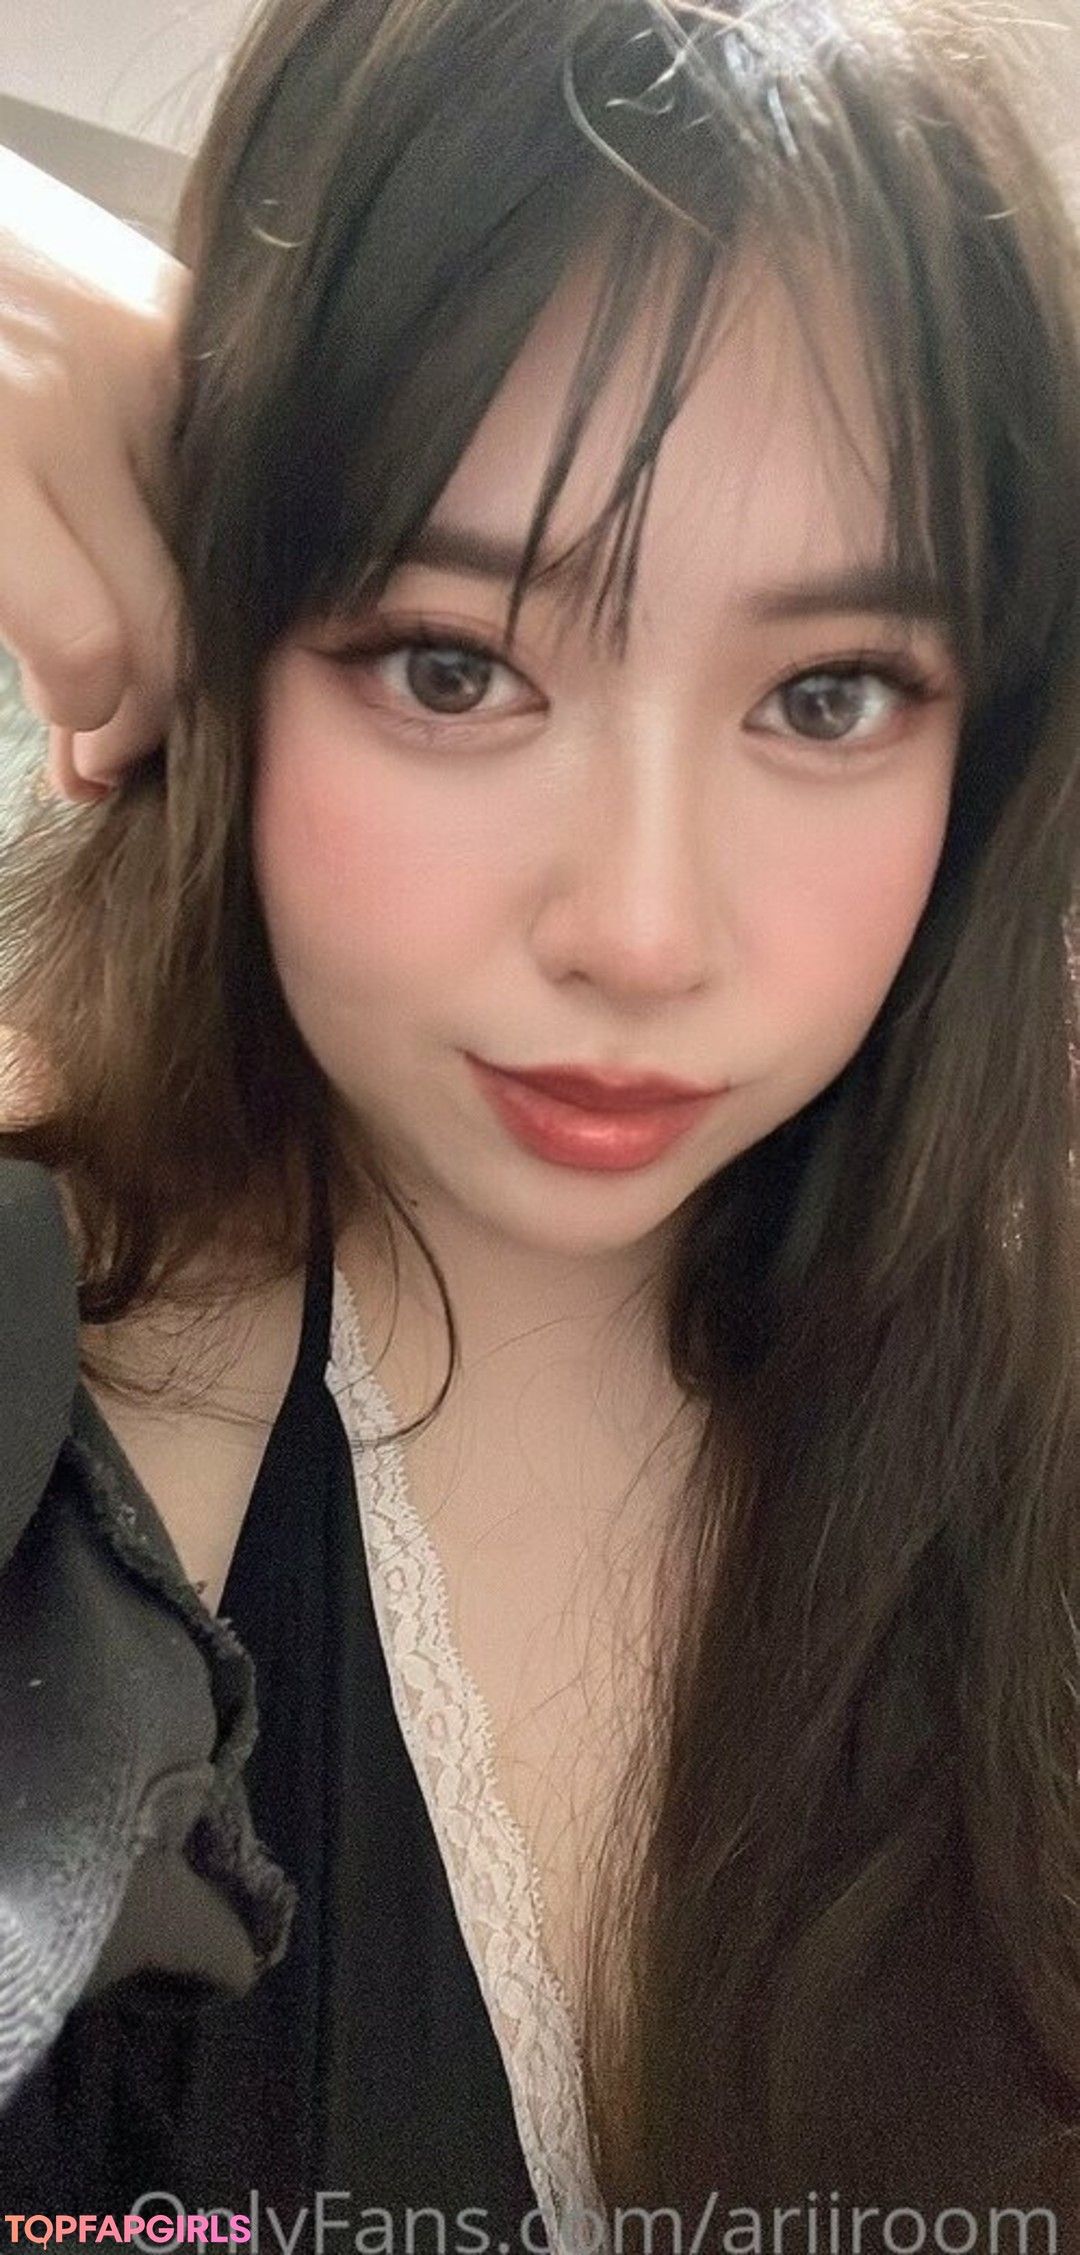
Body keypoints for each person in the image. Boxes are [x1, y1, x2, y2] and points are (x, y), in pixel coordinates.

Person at [1, 0, 1079, 2242]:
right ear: (226, 633)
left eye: (829, 695)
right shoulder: (55, 1397)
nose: (642, 931)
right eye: (451, 664)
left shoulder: (1027, 1408)